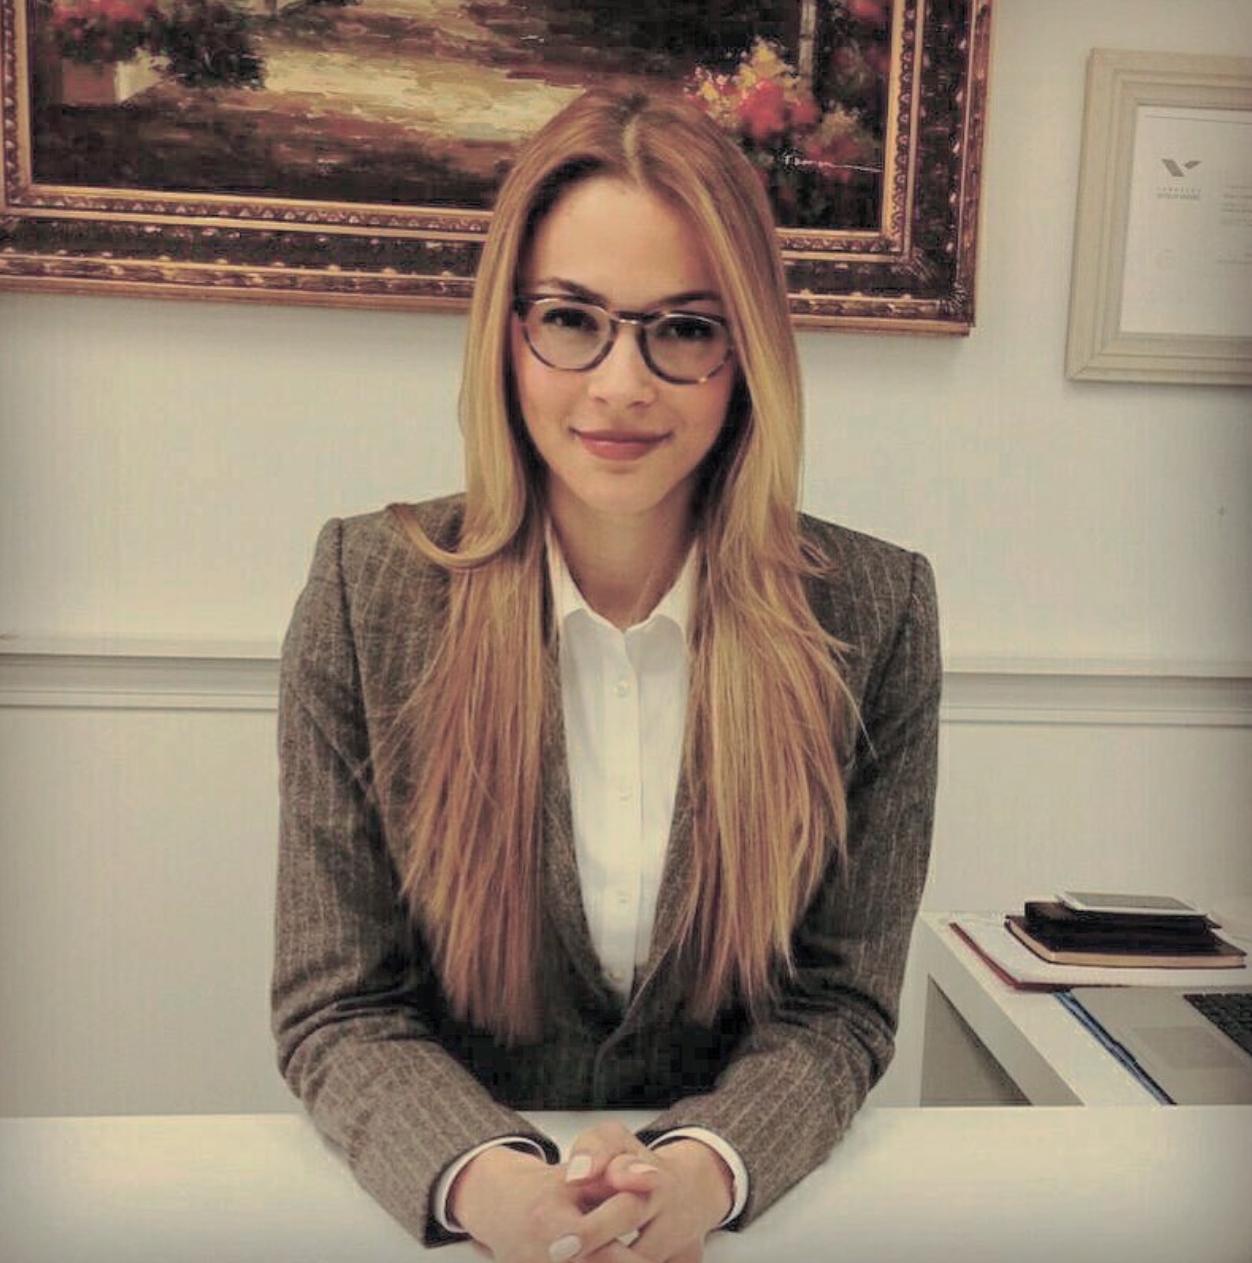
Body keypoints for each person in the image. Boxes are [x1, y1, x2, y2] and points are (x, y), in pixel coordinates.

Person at [272, 88, 941, 1263]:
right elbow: (341, 1006)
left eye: (682, 327)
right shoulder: (364, 592)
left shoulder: (873, 613)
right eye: (572, 319)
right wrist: (503, 1195)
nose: (621, 385)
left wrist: (697, 1176)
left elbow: (838, 1006)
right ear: (506, 330)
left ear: (746, 354)